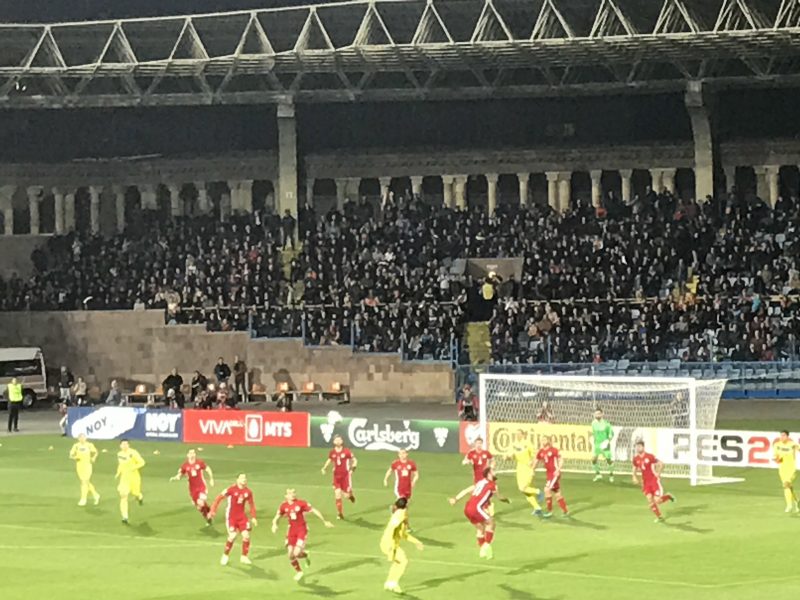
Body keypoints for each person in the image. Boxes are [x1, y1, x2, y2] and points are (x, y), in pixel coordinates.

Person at [271, 487, 334, 582]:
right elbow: (277, 516)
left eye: (294, 492)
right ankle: (299, 571)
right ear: (286, 496)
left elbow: (314, 510)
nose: (293, 494)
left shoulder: (301, 503)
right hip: (291, 531)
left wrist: (324, 521)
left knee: (296, 553)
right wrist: (274, 524)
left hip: (301, 530)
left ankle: (305, 555)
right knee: (290, 555)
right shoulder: (284, 506)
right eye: (290, 493)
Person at [448, 467, 508, 560]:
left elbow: (466, 490)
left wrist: (456, 499)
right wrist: (506, 500)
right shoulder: (492, 485)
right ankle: (486, 546)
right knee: (491, 522)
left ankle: (483, 550)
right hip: (476, 508)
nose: (495, 472)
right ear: (489, 474)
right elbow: (499, 497)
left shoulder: (480, 482)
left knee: (480, 528)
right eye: (493, 471)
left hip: (467, 508)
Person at [208, 473, 257, 565]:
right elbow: (219, 498)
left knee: (246, 536)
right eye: (242, 478)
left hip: (242, 517)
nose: (244, 479)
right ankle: (225, 555)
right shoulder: (231, 490)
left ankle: (244, 557)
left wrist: (253, 517)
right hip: (231, 517)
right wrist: (213, 510)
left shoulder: (248, 492)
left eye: (245, 478)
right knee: (233, 536)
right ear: (237, 480)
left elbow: (251, 504)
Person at [380, 497, 424, 594]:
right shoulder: (400, 515)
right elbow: (391, 528)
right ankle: (394, 583)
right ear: (406, 505)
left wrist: (416, 542)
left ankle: (389, 583)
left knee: (397, 562)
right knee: (403, 561)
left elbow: (403, 534)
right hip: (389, 544)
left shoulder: (401, 514)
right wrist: (391, 546)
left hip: (389, 543)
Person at [631, 440, 675, 522]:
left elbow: (661, 464)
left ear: (643, 447)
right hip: (645, 483)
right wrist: (634, 476)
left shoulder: (650, 457)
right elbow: (634, 467)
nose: (638, 448)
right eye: (637, 447)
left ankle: (668, 496)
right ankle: (659, 517)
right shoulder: (636, 459)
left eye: (639, 446)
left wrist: (658, 473)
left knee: (658, 501)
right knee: (650, 499)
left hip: (654, 481)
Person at [170, 449, 215, 523]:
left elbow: (208, 469)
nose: (192, 454)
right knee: (199, 507)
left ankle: (208, 515)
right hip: (192, 489)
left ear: (195, 455)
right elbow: (180, 474)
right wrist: (176, 477)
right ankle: (208, 513)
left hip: (201, 487)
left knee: (200, 502)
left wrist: (211, 479)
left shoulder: (199, 463)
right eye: (190, 453)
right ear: (187, 455)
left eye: (193, 453)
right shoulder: (185, 465)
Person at [504, 429, 542, 515]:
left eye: (519, 434)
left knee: (523, 488)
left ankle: (538, 492)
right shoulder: (514, 444)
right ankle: (537, 507)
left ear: (523, 435)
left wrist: (533, 466)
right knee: (524, 491)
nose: (518, 435)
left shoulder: (527, 443)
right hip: (519, 468)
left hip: (527, 468)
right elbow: (510, 456)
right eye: (516, 434)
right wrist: (507, 457)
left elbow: (535, 455)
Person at [320, 434, 357, 520]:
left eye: (339, 440)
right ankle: (340, 513)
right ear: (333, 442)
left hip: (345, 477)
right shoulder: (332, 452)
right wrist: (324, 468)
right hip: (336, 477)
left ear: (342, 441)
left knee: (346, 496)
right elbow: (329, 459)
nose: (338, 441)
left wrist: (353, 469)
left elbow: (355, 460)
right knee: (337, 494)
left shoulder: (346, 451)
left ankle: (350, 495)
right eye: (336, 440)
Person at [533, 436, 569, 518]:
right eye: (542, 440)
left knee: (547, 489)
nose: (543, 441)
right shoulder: (541, 451)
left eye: (545, 440)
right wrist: (532, 469)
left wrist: (558, 469)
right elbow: (536, 460)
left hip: (554, 473)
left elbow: (561, 459)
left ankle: (549, 511)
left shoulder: (554, 450)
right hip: (549, 474)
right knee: (557, 493)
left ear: (548, 441)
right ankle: (565, 511)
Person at [116, 439, 145, 524]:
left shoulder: (133, 453)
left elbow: (142, 462)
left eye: (126, 444)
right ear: (120, 446)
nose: (124, 446)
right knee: (123, 495)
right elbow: (120, 464)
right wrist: (118, 472)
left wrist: (133, 468)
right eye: (123, 444)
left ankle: (140, 497)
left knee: (135, 493)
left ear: (128, 445)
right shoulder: (119, 454)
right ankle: (125, 516)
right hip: (124, 478)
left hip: (134, 477)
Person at [69, 433, 100, 507]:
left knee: (84, 481)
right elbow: (71, 455)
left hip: (87, 465)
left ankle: (83, 499)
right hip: (79, 466)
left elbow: (95, 452)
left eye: (83, 437)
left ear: (85, 438)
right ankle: (96, 495)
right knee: (86, 482)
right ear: (78, 439)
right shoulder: (76, 446)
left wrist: (93, 458)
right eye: (80, 438)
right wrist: (75, 457)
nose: (82, 439)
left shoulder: (89, 445)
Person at [772, 430, 799, 513]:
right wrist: (777, 459)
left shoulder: (792, 444)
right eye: (781, 435)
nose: (782, 437)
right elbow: (775, 457)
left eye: (784, 435)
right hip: (782, 469)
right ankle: (797, 502)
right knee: (788, 486)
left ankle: (789, 505)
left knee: (786, 484)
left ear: (787, 436)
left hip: (791, 468)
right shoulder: (777, 445)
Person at [591, 407, 615, 482]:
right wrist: (593, 440)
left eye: (599, 414)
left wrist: (607, 441)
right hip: (597, 445)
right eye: (596, 414)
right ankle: (598, 474)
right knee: (593, 460)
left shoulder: (607, 424)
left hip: (605, 444)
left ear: (602, 414)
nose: (597, 415)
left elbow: (611, 434)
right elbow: (594, 433)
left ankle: (611, 475)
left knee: (608, 460)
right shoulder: (593, 423)